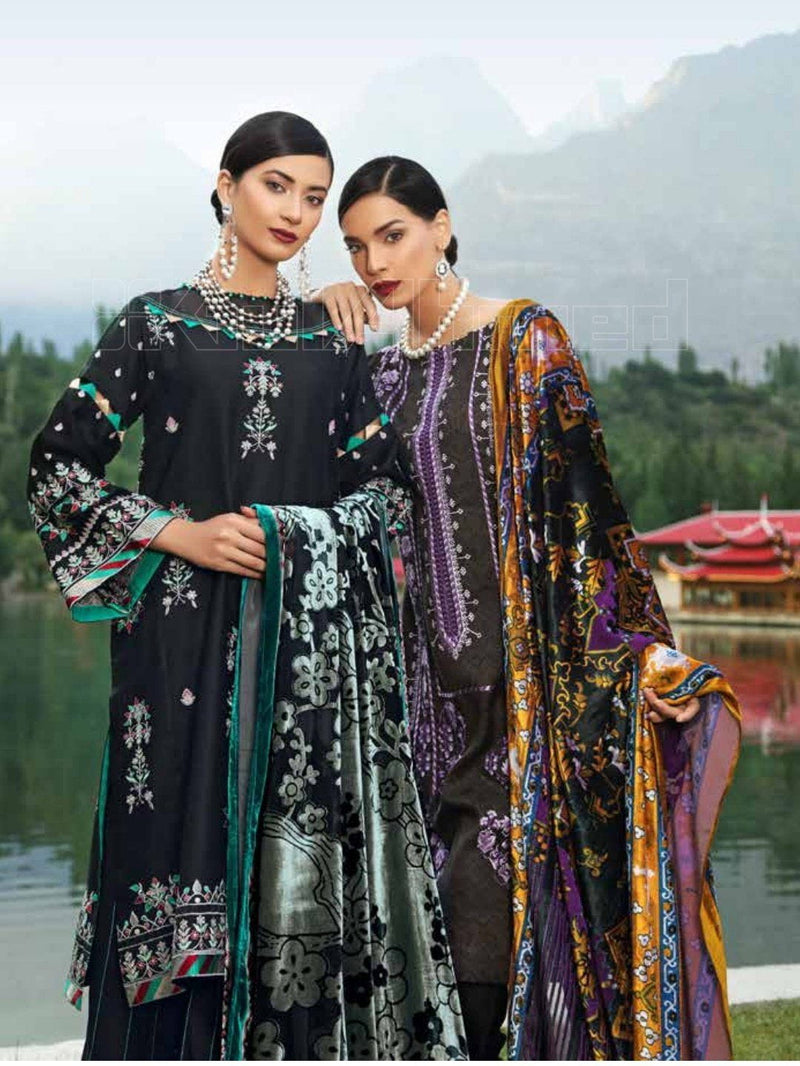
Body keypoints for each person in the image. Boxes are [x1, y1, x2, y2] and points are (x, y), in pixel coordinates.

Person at [28, 122, 466, 1061]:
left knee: (288, 870)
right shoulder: (156, 325)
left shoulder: (332, 342)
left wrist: (301, 535)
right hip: (174, 647)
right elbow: (58, 467)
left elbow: (388, 495)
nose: (296, 212)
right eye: (277, 185)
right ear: (227, 187)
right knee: (169, 847)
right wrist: (179, 532)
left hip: (298, 658)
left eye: (314, 197)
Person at [314, 155, 742, 1060]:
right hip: (416, 721)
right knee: (432, 985)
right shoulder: (372, 379)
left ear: (441, 226)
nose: (374, 264)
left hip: (528, 714)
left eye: (392, 235)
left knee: (506, 969)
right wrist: (316, 326)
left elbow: (591, 515)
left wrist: (640, 653)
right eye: (354, 248)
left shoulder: (523, 340)